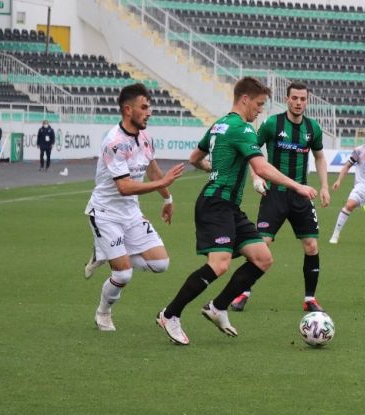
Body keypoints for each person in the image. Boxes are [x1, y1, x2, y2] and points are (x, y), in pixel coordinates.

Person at [156, 77, 317, 346]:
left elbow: (195, 157)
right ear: (244, 100)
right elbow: (262, 168)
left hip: (229, 206)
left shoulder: (219, 124)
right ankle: (170, 314)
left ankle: (218, 307)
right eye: (258, 104)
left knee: (262, 258)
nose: (260, 110)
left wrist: (211, 168)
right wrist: (297, 186)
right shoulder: (242, 129)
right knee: (219, 265)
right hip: (215, 204)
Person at [82, 83, 185, 332]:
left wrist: (167, 198)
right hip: (105, 215)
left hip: (131, 215)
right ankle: (103, 313)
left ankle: (104, 252)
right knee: (123, 275)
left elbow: (152, 169)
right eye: (144, 107)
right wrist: (163, 182)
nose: (149, 112)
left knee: (161, 264)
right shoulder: (114, 143)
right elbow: (125, 187)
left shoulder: (145, 137)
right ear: (128, 110)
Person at [229, 81, 330, 313]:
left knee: (311, 245)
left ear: (307, 101)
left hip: (300, 195)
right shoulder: (272, 123)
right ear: (287, 99)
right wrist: (257, 177)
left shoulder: (312, 128)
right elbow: (251, 150)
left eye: (303, 99)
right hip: (274, 195)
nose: (298, 103)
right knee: (262, 244)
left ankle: (310, 299)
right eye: (294, 98)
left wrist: (324, 186)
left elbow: (320, 157)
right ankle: (243, 292)